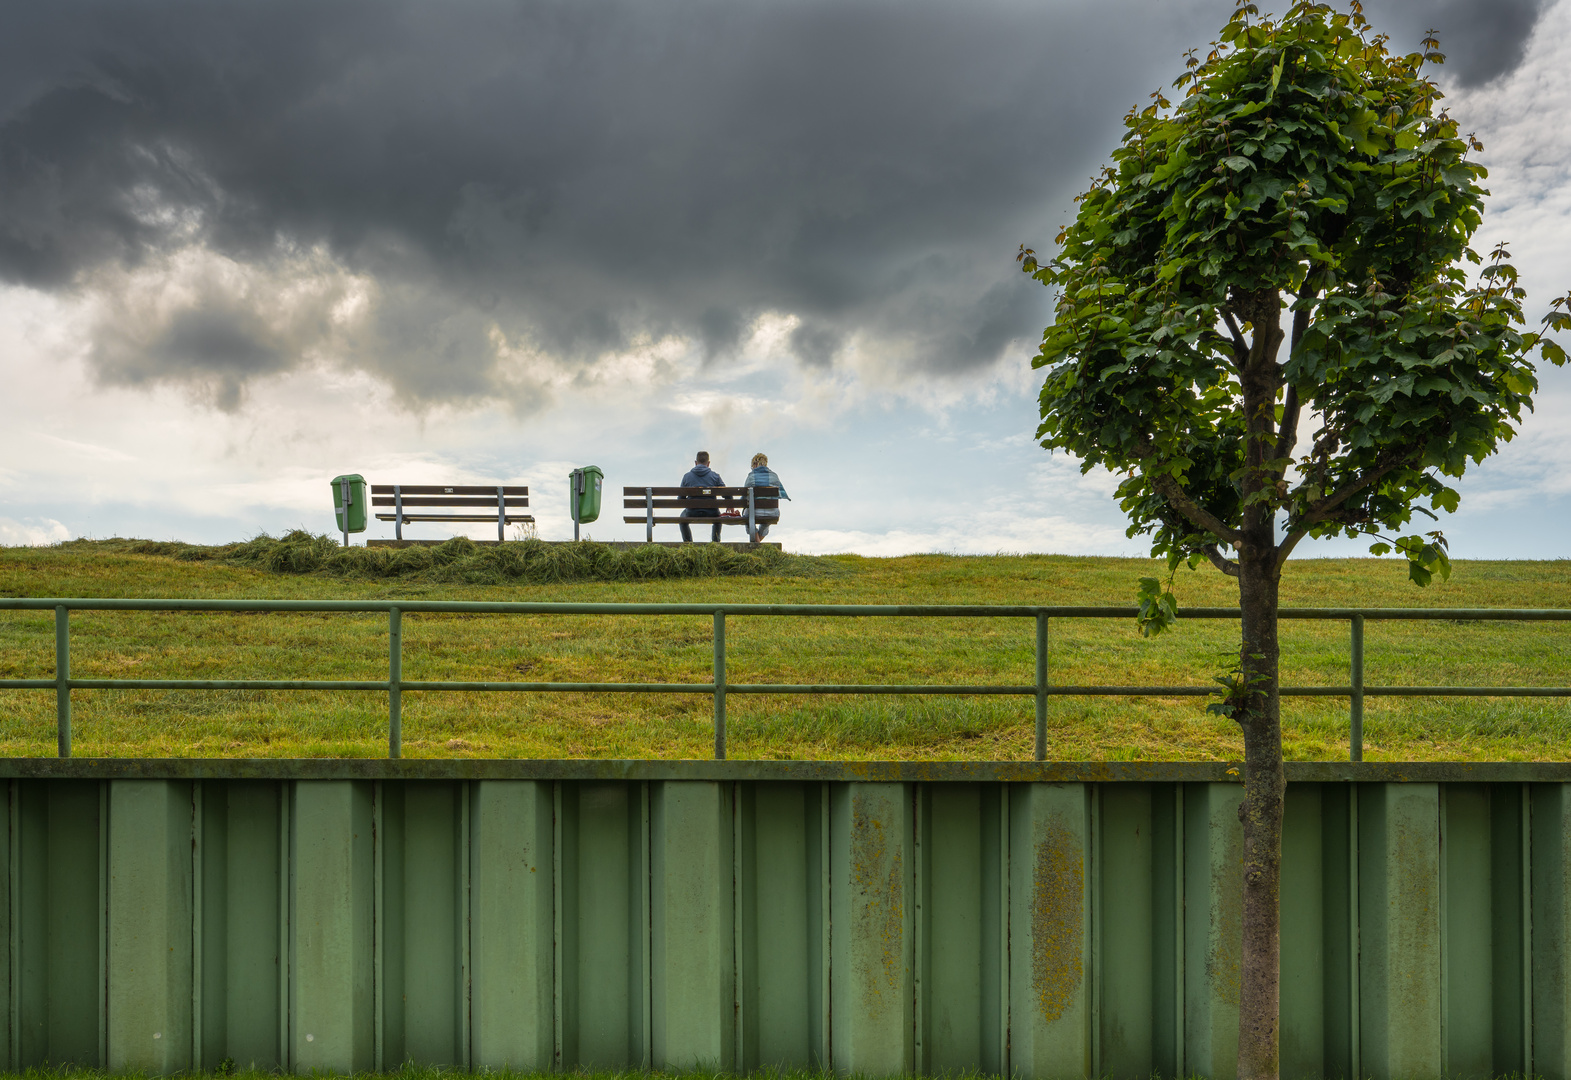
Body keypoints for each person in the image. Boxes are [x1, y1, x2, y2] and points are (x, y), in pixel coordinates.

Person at [678, 450, 726, 543]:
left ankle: (688, 543)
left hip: (692, 511)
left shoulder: (687, 477)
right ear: (708, 463)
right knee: (718, 519)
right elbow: (726, 493)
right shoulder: (715, 476)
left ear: (696, 463)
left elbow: (680, 499)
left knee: (682, 519)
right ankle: (715, 543)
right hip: (711, 512)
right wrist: (730, 504)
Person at [743, 452, 790, 542]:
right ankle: (758, 544)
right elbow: (780, 493)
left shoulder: (751, 476)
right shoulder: (774, 476)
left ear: (755, 464)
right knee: (765, 522)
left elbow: (745, 495)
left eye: (752, 466)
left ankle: (756, 546)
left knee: (747, 516)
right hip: (772, 512)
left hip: (754, 512)